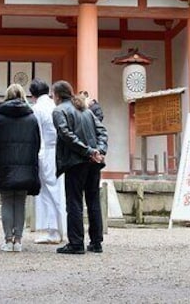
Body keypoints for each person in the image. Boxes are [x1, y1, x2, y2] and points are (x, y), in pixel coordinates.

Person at [52, 80, 108, 254]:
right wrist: (99, 150)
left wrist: (88, 151)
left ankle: (76, 243)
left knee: (74, 202)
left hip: (76, 161)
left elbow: (66, 135)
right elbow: (102, 131)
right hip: (93, 162)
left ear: (57, 95)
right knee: (93, 201)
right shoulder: (86, 110)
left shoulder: (59, 111)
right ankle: (96, 242)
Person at [0, 84, 41, 252]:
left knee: (6, 202)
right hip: (25, 166)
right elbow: (37, 144)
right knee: (21, 202)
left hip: (4, 166)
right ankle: (18, 240)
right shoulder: (31, 118)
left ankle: (8, 240)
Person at [30, 78, 66, 244]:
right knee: (57, 191)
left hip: (45, 152)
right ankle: (61, 229)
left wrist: (37, 156)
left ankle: (52, 231)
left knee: (47, 192)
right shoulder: (55, 105)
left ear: (33, 95)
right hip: (58, 152)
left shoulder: (37, 108)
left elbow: (38, 135)